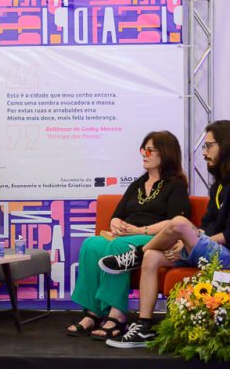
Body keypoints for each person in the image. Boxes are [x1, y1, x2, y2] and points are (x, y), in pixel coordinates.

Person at [101, 120, 230, 348]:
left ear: (226, 145)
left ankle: (137, 254)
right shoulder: (222, 182)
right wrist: (190, 242)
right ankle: (144, 327)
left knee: (179, 223)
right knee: (153, 257)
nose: (204, 152)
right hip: (213, 248)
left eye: (208, 146)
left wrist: (194, 240)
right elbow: (207, 224)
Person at [67, 131, 190, 340]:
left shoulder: (176, 184)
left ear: (165, 153)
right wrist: (115, 223)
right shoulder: (138, 184)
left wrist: (139, 230)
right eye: (143, 149)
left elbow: (175, 222)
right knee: (91, 244)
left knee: (118, 247)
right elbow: (117, 214)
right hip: (128, 235)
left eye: (150, 150)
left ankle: (117, 315)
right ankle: (93, 312)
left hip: (154, 238)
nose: (144, 154)